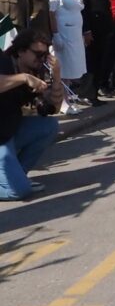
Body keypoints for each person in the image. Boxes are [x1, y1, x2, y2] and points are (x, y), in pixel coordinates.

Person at [0, 29, 63, 201]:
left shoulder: (37, 70)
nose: (42, 59)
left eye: (45, 54)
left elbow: (54, 108)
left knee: (49, 126)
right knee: (18, 192)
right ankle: (14, 182)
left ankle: (17, 175)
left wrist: (56, 76)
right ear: (21, 51)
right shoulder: (4, 62)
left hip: (8, 131)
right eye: (38, 53)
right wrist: (23, 78)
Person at [71, 0, 112, 105]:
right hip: (92, 25)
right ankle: (87, 93)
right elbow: (82, 4)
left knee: (98, 59)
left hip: (101, 24)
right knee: (91, 60)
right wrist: (86, 29)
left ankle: (93, 92)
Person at [47, 0, 87, 83]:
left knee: (72, 69)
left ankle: (67, 97)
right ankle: (62, 99)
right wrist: (56, 34)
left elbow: (78, 4)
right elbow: (51, 12)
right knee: (63, 69)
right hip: (63, 34)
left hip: (74, 34)